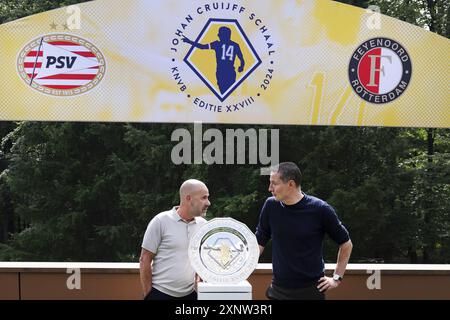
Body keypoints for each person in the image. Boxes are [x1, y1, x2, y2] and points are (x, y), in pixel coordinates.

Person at [256, 162, 353, 300]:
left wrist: (336, 278)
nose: (269, 188)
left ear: (291, 184)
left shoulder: (320, 209)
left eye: (274, 183)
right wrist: (240, 268)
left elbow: (346, 244)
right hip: (278, 290)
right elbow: (260, 241)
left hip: (311, 292)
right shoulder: (271, 206)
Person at [139, 179, 210, 300]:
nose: (208, 202)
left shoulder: (203, 225)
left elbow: (202, 257)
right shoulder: (161, 221)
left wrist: (199, 281)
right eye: (203, 198)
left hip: (190, 295)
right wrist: (148, 294)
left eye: (208, 197)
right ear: (188, 198)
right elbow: (145, 259)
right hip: (159, 294)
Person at [182, 26, 245, 93]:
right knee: (228, 93)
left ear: (224, 35)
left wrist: (189, 41)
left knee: (224, 92)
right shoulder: (235, 45)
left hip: (221, 72)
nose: (218, 36)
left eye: (219, 34)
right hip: (230, 72)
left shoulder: (216, 44)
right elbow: (242, 59)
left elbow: (202, 47)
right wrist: (241, 67)